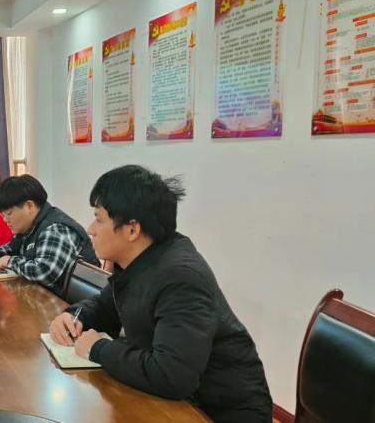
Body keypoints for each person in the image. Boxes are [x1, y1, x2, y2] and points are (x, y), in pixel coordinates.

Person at [48, 165, 271, 422]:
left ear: (132, 229)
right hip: (178, 400)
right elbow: (105, 307)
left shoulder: (180, 277)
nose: (91, 229)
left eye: (99, 219)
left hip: (219, 412)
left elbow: (172, 375)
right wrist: (74, 316)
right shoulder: (140, 261)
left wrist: (98, 349)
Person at [0, 174, 98, 297]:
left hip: (71, 306)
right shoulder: (29, 227)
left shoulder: (55, 229)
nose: (5, 220)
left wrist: (11, 262)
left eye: (9, 214)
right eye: (3, 215)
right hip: (45, 299)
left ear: (29, 206)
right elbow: (12, 248)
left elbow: (44, 272)